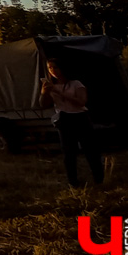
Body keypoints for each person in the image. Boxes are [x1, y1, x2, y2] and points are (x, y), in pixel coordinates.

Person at [40, 59, 104, 187]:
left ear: (62, 68)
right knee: (69, 152)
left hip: (80, 118)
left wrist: (58, 91)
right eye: (50, 68)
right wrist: (44, 93)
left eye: (55, 67)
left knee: (90, 150)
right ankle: (73, 182)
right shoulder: (51, 85)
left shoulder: (76, 84)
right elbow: (43, 105)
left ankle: (99, 179)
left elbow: (81, 101)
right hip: (64, 118)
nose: (52, 70)